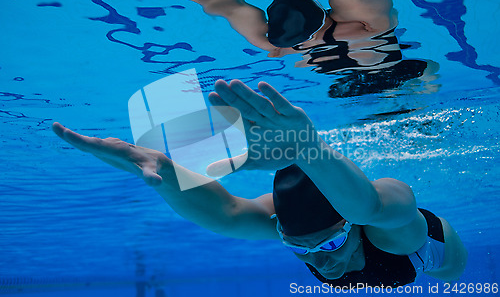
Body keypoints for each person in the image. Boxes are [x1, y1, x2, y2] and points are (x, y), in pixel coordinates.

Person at [53, 79, 467, 287]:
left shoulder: (391, 227)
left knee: (449, 275)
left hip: (437, 256)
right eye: (298, 248)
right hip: (343, 203)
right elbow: (228, 214)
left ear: (349, 227)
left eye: (329, 245)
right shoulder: (295, 229)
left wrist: (307, 147)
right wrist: (161, 170)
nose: (318, 263)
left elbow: (370, 209)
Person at [127, 0, 438, 97]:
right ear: (317, 6)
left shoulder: (276, 45)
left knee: (227, 8)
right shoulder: (368, 24)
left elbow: (214, 0)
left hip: (349, 84)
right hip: (399, 73)